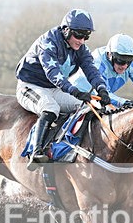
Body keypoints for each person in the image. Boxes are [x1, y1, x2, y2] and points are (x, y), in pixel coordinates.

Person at [16, 9, 111, 170]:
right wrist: (74, 91)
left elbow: (91, 70)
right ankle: (36, 152)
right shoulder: (48, 42)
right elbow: (54, 74)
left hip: (53, 89)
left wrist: (102, 89)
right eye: (79, 35)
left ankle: (71, 147)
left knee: (86, 107)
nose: (82, 40)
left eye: (86, 36)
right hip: (30, 86)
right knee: (50, 108)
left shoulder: (80, 49)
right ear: (66, 30)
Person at [71, 33, 133, 107]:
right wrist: (124, 102)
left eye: (129, 61)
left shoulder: (129, 65)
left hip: (96, 99)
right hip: (76, 96)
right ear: (110, 55)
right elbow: (103, 92)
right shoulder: (98, 63)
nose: (125, 66)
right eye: (121, 60)